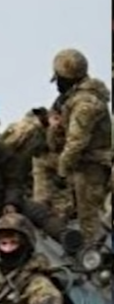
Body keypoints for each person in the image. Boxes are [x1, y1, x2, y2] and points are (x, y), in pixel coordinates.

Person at [51, 48, 111, 243]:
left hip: (92, 169)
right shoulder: (78, 98)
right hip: (87, 166)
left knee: (91, 222)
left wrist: (61, 170)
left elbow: (76, 141)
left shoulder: (84, 104)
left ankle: (98, 256)